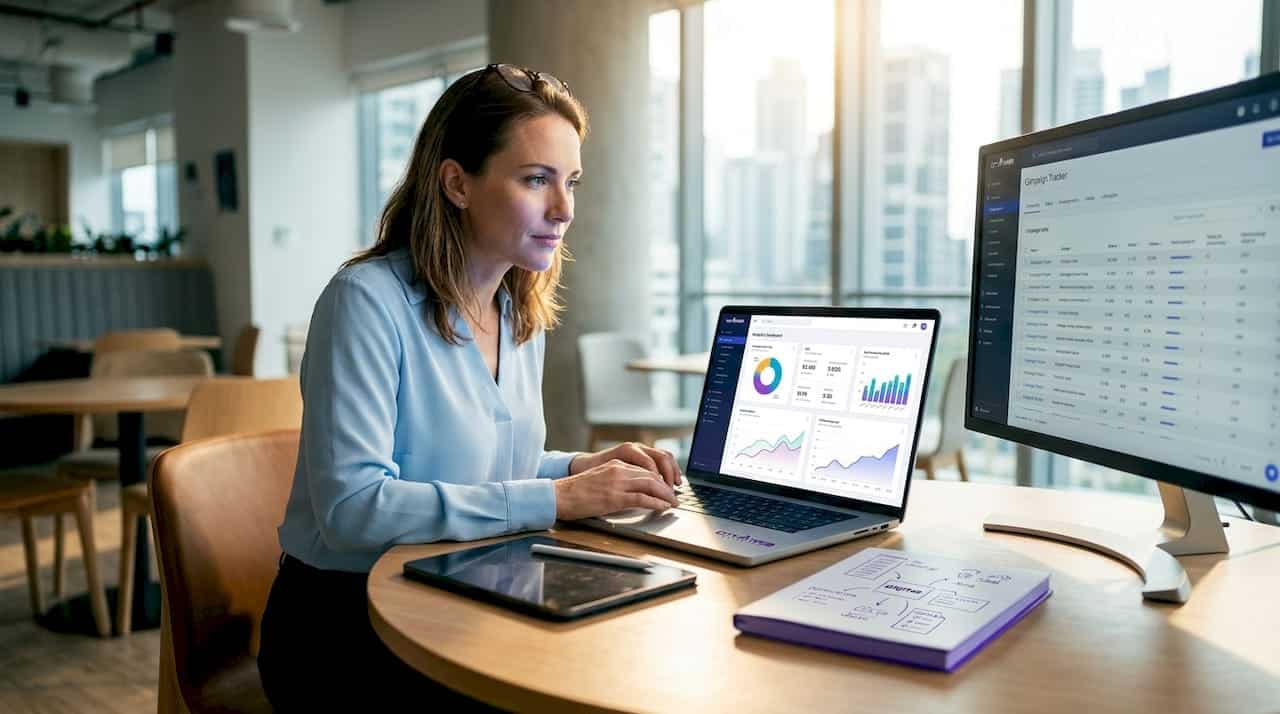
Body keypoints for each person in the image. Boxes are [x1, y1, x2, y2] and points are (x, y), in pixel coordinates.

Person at [257, 64, 682, 710]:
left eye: (570, 182)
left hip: (461, 587)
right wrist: (558, 499)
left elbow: (484, 466)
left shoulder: (517, 310)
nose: (564, 210)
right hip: (343, 623)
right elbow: (353, 511)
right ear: (457, 182)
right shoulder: (365, 302)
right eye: (536, 180)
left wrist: (578, 468)